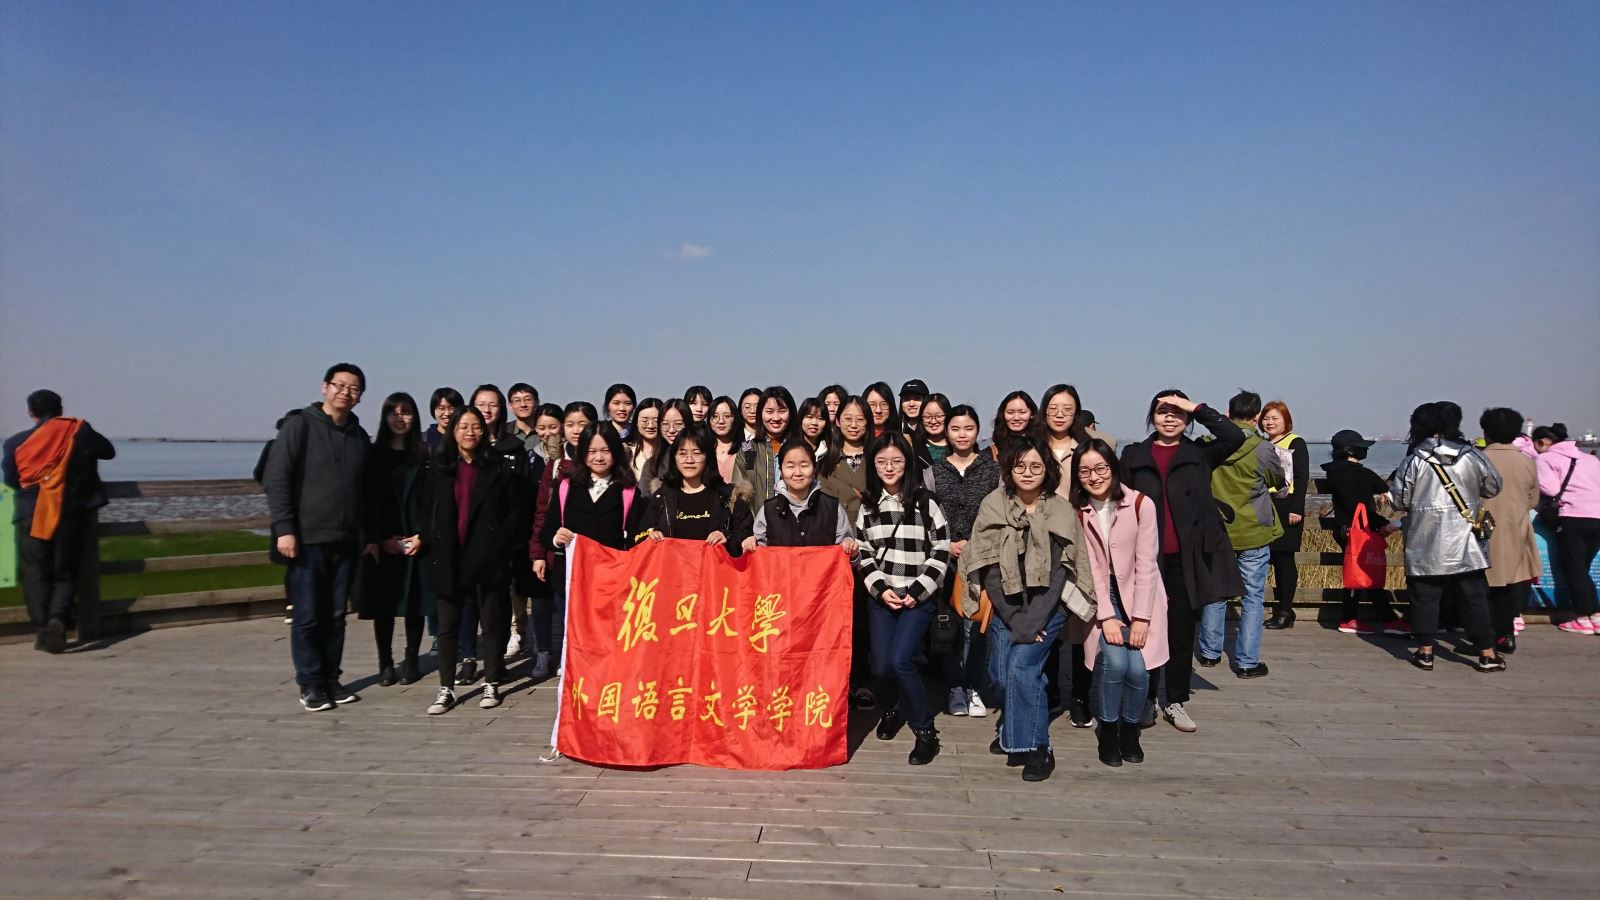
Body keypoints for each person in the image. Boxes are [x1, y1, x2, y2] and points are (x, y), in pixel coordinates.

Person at [960, 433, 1096, 782]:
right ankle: (1012, 727)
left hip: (1049, 608)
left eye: (1036, 466)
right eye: (1020, 466)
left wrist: (1032, 621)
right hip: (1006, 605)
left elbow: (1060, 575)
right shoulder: (994, 504)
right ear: (1009, 469)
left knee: (1022, 667)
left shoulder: (1060, 510)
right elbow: (989, 568)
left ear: (1048, 470)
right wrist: (1016, 618)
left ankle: (1038, 748)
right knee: (999, 677)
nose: (1028, 472)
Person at [1120, 391, 1245, 733]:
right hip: (1147, 560)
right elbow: (1121, 503)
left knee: (1180, 632)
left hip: (1187, 559)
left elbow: (1234, 436)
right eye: (1163, 411)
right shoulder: (1134, 455)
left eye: (1178, 412)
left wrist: (1197, 408)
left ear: (1188, 419)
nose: (1170, 418)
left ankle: (1175, 700)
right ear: (1151, 417)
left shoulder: (1199, 453)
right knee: (1145, 630)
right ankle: (1145, 698)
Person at [261, 363, 381, 712]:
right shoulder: (300, 426)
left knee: (336, 615)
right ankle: (310, 682)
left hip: (347, 539)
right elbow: (277, 478)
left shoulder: (358, 436)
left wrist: (371, 535)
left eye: (354, 388)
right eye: (339, 385)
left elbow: (368, 491)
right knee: (308, 614)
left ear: (360, 397)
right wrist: (285, 528)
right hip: (307, 538)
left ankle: (331, 677)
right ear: (325, 387)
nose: (346, 392)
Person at [420, 406, 532, 715]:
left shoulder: (498, 467)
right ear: (453, 432)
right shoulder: (439, 469)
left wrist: (502, 540)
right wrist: (427, 539)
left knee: (492, 623)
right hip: (449, 556)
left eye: (475, 426)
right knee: (447, 627)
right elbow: (425, 510)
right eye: (463, 426)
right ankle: (446, 688)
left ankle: (492, 682)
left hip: (488, 555)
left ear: (484, 432)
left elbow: (517, 509)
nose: (470, 432)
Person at [855, 432, 951, 767]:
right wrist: (880, 589)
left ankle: (925, 730)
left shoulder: (925, 502)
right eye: (881, 461)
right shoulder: (869, 505)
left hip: (917, 597)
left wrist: (918, 591)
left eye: (896, 461)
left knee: (900, 661)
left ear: (907, 464)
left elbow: (941, 549)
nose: (889, 467)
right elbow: (864, 553)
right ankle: (891, 708)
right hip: (882, 596)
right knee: (881, 666)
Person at [1072, 439, 1169, 767]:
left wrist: (1141, 618)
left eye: (1101, 468)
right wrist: (1106, 615)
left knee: (1139, 670)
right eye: (1085, 471)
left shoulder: (1141, 504)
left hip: (1141, 594)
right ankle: (1109, 729)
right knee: (1114, 663)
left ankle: (1130, 729)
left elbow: (1147, 563)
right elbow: (1090, 569)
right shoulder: (1079, 511)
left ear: (1113, 468)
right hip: (1104, 594)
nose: (1094, 476)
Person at [1388, 402, 1504, 672]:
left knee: (1424, 596)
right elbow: (1493, 486)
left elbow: (1399, 500)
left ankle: (1425, 651)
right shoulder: (1472, 455)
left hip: (1424, 539)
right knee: (1473, 596)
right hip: (1465, 540)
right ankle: (1487, 653)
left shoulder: (1415, 459)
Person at [2, 389, 116, 653]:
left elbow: (12, 480)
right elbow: (108, 452)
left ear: (31, 412)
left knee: (35, 574)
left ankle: (43, 632)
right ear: (60, 410)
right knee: (65, 572)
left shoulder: (14, 443)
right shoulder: (78, 431)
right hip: (69, 514)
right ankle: (58, 620)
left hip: (30, 513)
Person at [532, 422, 648, 677]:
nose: (598, 457)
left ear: (615, 452)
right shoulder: (566, 487)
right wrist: (556, 538)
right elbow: (547, 530)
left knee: (610, 639)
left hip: (613, 582)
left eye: (605, 451)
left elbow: (637, 540)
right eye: (592, 451)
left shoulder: (628, 492)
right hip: (572, 579)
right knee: (575, 633)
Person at [1037, 383, 1117, 725]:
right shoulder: (1033, 446)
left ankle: (1081, 696)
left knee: (1083, 622)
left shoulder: (1090, 446)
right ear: (1044, 411)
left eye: (1067, 409)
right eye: (1053, 408)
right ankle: (1052, 692)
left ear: (1077, 413)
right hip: (1041, 544)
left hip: (1084, 542)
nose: (1059, 414)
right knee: (1047, 620)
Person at [1204, 390, 1284, 679]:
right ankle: (1247, 662)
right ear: (1257, 416)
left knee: (1216, 592)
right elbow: (1277, 479)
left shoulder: (1210, 444)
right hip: (1253, 531)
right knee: (1252, 597)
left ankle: (1209, 652)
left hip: (1217, 528)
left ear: (1228, 413)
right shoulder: (1262, 449)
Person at [929, 403, 999, 718]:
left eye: (968, 428)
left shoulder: (992, 471)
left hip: (980, 562)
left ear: (977, 432)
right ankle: (955, 686)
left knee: (975, 627)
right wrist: (946, 545)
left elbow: (998, 516)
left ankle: (973, 686)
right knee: (948, 627)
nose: (962, 434)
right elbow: (925, 515)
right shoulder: (934, 471)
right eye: (955, 428)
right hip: (943, 562)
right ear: (947, 432)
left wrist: (976, 545)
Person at [361, 392, 431, 686]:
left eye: (406, 413)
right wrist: (378, 538)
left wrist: (422, 535)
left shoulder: (424, 453)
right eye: (394, 413)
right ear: (385, 417)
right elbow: (366, 500)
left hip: (416, 536)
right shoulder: (373, 454)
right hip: (384, 538)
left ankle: (412, 658)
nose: (400, 419)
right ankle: (386, 662)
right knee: (384, 604)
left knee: (416, 602)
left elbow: (432, 499)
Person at [527, 401, 598, 678]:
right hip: (561, 553)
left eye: (583, 424)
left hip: (596, 554)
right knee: (566, 610)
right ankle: (567, 658)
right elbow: (542, 513)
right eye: (570, 424)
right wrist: (537, 553)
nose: (576, 430)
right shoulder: (556, 465)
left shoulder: (604, 459)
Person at [1320, 429, 1406, 634]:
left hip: (1354, 528)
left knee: (1360, 573)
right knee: (1363, 573)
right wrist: (1383, 523)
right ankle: (1379, 619)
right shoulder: (1348, 474)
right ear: (1350, 450)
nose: (1364, 451)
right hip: (1355, 529)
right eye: (1361, 448)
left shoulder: (1347, 471)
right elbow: (1356, 504)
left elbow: (1377, 486)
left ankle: (1354, 618)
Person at [1479, 408, 1540, 652]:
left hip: (1483, 529)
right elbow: (1533, 499)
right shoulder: (1527, 461)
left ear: (1486, 432)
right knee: (1511, 584)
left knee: (1481, 587)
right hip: (1517, 528)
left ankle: (1485, 639)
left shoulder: (1478, 459)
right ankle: (1506, 634)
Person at [642, 424, 754, 551]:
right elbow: (640, 535)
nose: (689, 460)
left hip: (714, 563)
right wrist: (650, 536)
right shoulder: (662, 496)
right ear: (674, 457)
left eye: (696, 453)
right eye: (682, 453)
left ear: (708, 456)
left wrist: (727, 538)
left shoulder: (728, 496)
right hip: (673, 563)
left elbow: (746, 535)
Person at [1534, 423, 1600, 633]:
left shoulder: (1546, 458)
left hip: (1573, 516)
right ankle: (1596, 616)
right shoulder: (1590, 459)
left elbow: (1551, 488)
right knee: (1582, 568)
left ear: (1542, 442)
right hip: (1597, 516)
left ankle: (1582, 618)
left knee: (1574, 568)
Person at [744, 439, 857, 554]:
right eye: (790, 466)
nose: (798, 473)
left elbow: (847, 558)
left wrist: (851, 550)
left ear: (814, 468)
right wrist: (751, 545)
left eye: (804, 465)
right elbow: (759, 556)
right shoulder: (768, 510)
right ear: (781, 471)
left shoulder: (832, 508)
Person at [1259, 400, 1309, 631]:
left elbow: (1301, 476)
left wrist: (1297, 507)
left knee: (1283, 559)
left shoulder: (1295, 442)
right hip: (1264, 504)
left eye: (1274, 418)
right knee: (1264, 557)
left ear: (1286, 421)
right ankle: (1281, 609)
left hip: (1286, 504)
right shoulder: (1261, 443)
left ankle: (1285, 610)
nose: (1270, 422)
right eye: (1266, 418)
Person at [733, 386, 797, 515]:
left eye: (782, 411)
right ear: (760, 413)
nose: (776, 418)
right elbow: (740, 486)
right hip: (757, 522)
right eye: (769, 411)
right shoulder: (748, 448)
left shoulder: (800, 449)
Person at [819, 396, 871, 525]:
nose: (853, 425)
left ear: (868, 422)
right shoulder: (825, 464)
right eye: (848, 419)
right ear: (838, 421)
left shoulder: (878, 459)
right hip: (837, 530)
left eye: (860, 420)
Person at [988, 391, 1038, 463]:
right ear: (1003, 414)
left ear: (1032, 414)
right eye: (1010, 412)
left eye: (1022, 412)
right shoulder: (990, 453)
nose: (1016, 418)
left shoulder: (1042, 447)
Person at [628, 398, 665, 487]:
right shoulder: (625, 450)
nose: (650, 425)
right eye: (645, 421)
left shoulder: (671, 451)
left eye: (655, 421)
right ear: (636, 422)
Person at [708, 396, 743, 485]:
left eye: (727, 416)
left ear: (735, 418)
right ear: (709, 420)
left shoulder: (747, 447)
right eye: (715, 416)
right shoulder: (703, 448)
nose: (721, 421)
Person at [913, 393, 952, 467]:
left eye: (939, 416)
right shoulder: (912, 446)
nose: (933, 421)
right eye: (927, 417)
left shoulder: (958, 445)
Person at [423, 387, 463, 453]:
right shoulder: (424, 440)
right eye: (441, 408)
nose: (447, 413)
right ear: (433, 410)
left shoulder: (467, 438)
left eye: (452, 408)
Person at [506, 383, 542, 456]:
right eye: (517, 400)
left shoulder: (546, 433)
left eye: (528, 399)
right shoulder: (503, 433)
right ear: (510, 406)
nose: (523, 405)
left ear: (537, 402)